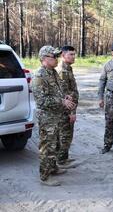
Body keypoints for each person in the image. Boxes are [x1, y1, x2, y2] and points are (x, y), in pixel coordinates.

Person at [32, 45, 76, 186]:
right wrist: (61, 101)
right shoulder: (39, 76)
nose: (57, 59)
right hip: (47, 118)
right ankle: (45, 177)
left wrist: (66, 96)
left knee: (55, 145)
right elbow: (42, 101)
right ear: (45, 59)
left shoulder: (52, 73)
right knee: (47, 147)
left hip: (56, 116)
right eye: (54, 57)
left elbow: (58, 91)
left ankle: (53, 167)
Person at [56, 45, 79, 165]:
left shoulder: (68, 68)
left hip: (69, 108)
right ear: (63, 55)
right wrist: (71, 113)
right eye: (71, 54)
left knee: (68, 134)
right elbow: (66, 96)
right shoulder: (62, 71)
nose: (73, 56)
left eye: (74, 54)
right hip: (66, 110)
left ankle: (64, 158)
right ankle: (61, 161)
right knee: (65, 135)